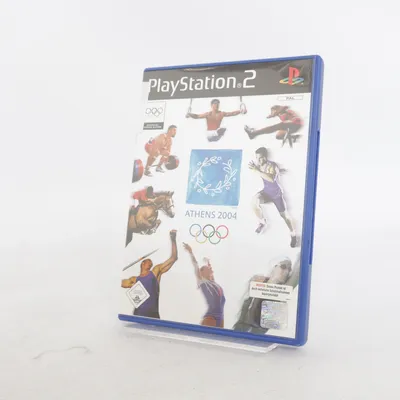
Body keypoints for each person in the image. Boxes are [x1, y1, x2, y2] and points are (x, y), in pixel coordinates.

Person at [121, 230, 178, 319]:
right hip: (138, 315)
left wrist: (173, 239)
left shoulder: (155, 272)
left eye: (151, 262)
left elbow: (173, 258)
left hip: (153, 316)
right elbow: (122, 283)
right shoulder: (134, 279)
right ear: (142, 263)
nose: (151, 263)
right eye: (148, 261)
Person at [249, 147, 298, 248]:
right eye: (257, 158)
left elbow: (271, 179)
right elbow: (262, 171)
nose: (259, 160)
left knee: (285, 216)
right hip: (266, 193)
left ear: (266, 157)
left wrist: (257, 170)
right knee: (254, 201)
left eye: (261, 158)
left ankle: (293, 234)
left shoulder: (272, 165)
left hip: (276, 195)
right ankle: (262, 222)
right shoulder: (259, 165)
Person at [183, 243, 225, 328]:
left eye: (210, 269)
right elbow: (195, 265)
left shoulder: (213, 283)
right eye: (208, 269)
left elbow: (211, 271)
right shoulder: (202, 281)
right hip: (211, 316)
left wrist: (208, 262)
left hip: (220, 317)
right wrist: (191, 252)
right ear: (202, 272)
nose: (210, 269)